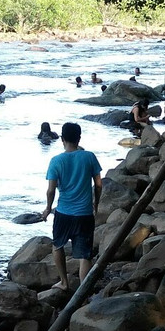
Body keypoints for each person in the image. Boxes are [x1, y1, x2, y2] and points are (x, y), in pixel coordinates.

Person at [42, 122, 102, 290]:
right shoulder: (89, 156)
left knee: (58, 246)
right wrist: (96, 204)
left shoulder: (56, 161)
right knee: (85, 255)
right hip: (84, 213)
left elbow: (51, 190)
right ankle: (83, 291)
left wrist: (48, 208)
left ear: (62, 139)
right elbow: (98, 185)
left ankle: (64, 282)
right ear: (79, 138)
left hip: (63, 212)